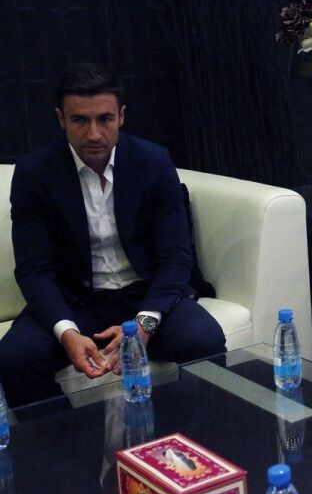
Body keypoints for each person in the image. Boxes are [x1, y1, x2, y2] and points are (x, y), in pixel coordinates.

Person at [0, 63, 226, 408]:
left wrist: (145, 323)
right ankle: (70, 440)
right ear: (61, 119)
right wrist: (67, 332)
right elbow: (34, 270)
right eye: (80, 120)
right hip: (75, 300)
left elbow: (175, 257)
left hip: (145, 293)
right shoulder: (35, 173)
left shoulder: (153, 161)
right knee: (15, 359)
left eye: (104, 119)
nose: (94, 134)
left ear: (121, 116)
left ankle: (187, 436)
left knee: (203, 339)